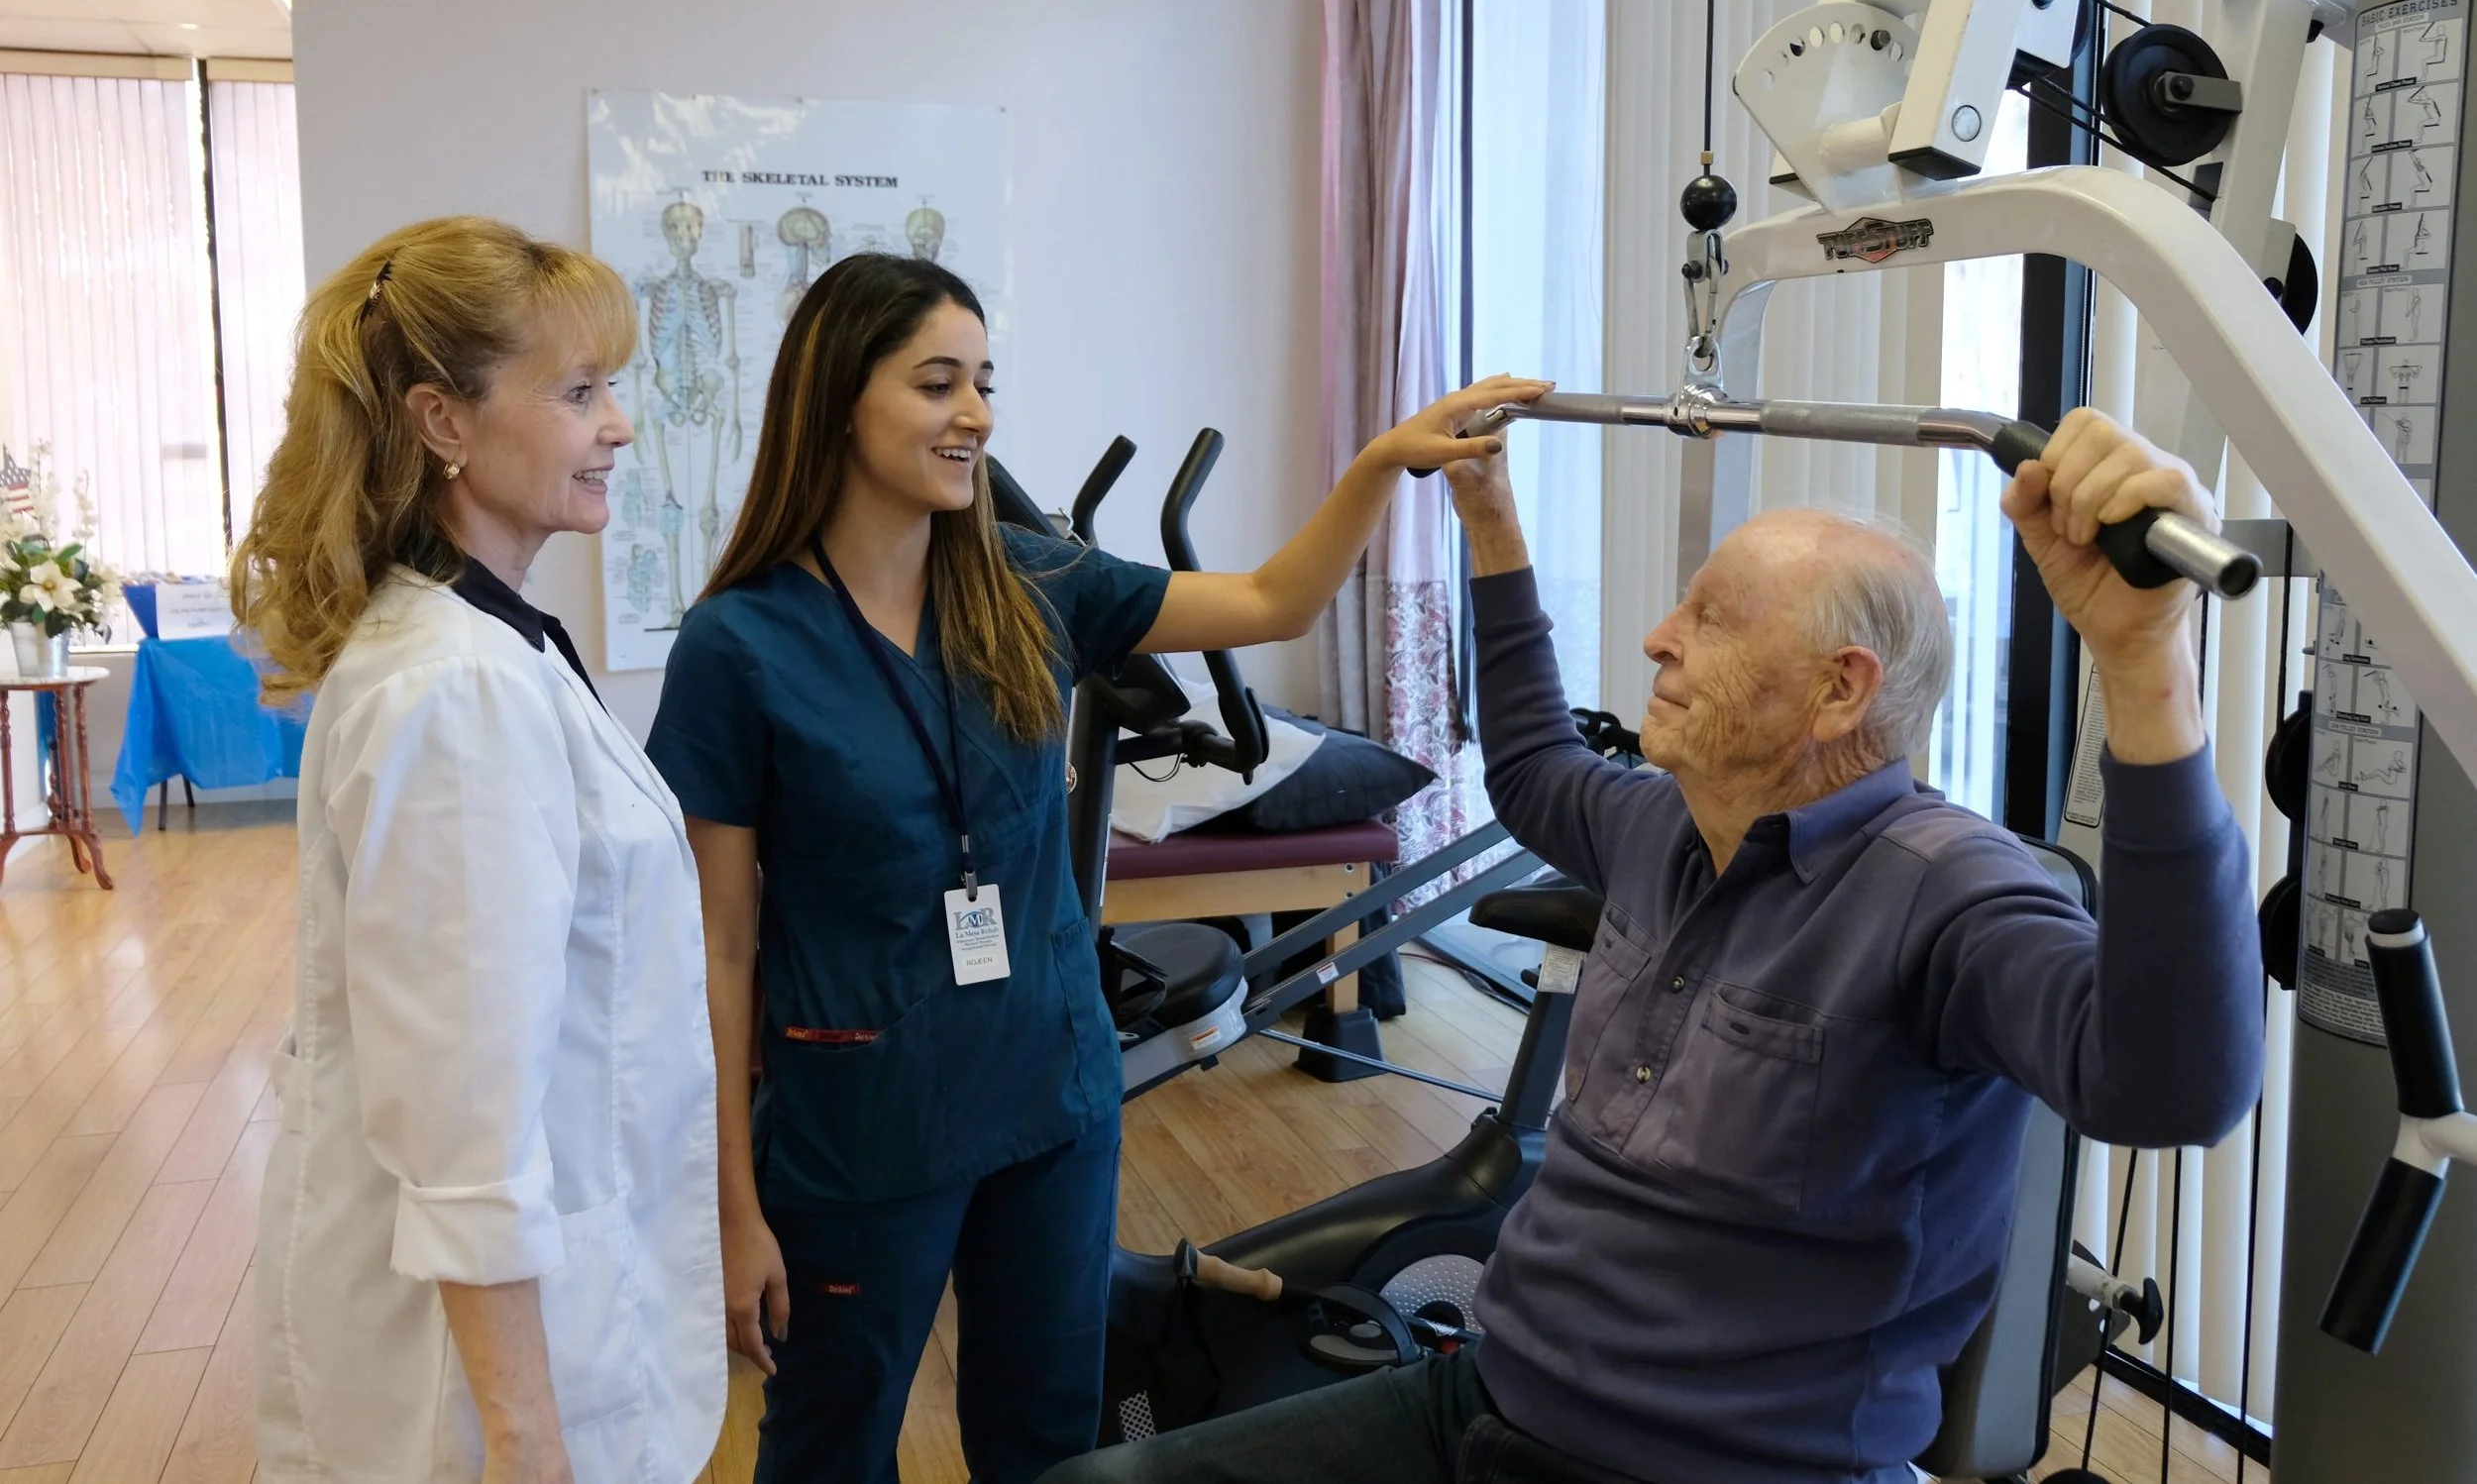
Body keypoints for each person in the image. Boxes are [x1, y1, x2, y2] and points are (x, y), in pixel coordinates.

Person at [1039, 407, 2264, 1484]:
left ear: (1839, 690)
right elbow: (1533, 767)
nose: (1657, 636)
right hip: (1487, 1398)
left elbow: (2174, 1085)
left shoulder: (1946, 890)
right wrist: (1490, 516)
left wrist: (2142, 658)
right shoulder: (1664, 825)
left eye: (1709, 617)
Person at [643, 252, 1541, 1484]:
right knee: (830, 1446)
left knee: (1048, 1440)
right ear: (838, 399)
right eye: (937, 383)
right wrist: (730, 1204)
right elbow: (719, 942)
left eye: (984, 382)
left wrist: (1380, 463)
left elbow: (1274, 599)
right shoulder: (738, 645)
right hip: (862, 1124)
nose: (975, 414)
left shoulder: (1031, 582)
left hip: (1049, 1096)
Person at [241, 218, 724, 1484]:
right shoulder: (455, 687)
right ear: (442, 420)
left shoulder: (491, 643)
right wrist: (526, 1438)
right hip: (485, 1381)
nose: (619, 424)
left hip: (552, 1294)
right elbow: (465, 1116)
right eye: (578, 391)